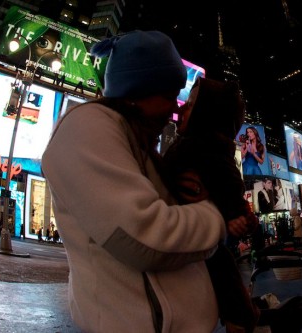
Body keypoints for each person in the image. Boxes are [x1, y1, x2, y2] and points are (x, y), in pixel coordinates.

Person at [42, 30, 248, 332]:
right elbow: (145, 234)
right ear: (137, 92)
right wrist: (216, 216)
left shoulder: (138, 143)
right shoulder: (87, 128)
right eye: (169, 95)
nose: (175, 108)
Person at [163, 76, 259, 332]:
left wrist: (236, 215)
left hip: (198, 242)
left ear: (207, 114)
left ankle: (240, 319)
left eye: (191, 104)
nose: (182, 108)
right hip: (183, 236)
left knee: (223, 270)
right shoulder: (190, 145)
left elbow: (229, 185)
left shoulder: (206, 148)